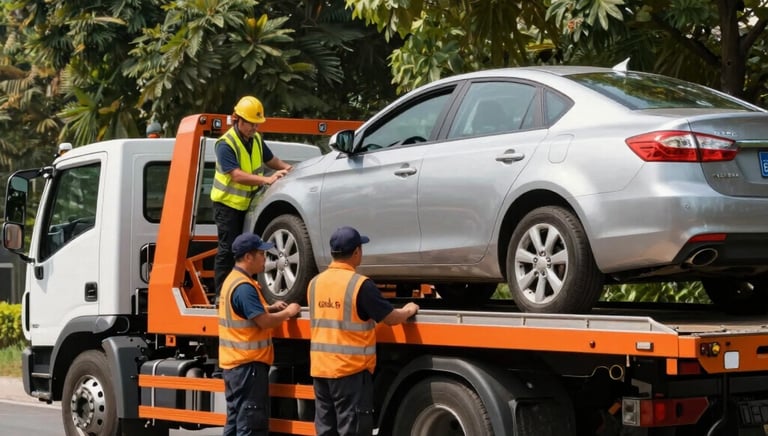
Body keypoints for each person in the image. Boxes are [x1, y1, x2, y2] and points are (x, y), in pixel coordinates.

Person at [308, 226, 419, 436]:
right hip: (350, 373)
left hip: (321, 370)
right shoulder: (360, 285)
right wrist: (407, 310)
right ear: (357, 252)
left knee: (326, 430)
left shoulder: (314, 283)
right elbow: (390, 318)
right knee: (353, 430)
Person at [211, 95, 294, 299]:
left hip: (247, 205)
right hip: (227, 205)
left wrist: (287, 168)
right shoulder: (225, 143)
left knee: (247, 249)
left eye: (257, 124)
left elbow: (270, 159)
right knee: (228, 249)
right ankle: (221, 295)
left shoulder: (255, 139)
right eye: (251, 123)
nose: (254, 128)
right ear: (237, 119)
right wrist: (266, 180)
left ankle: (241, 290)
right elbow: (236, 174)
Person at [218, 232, 301, 436]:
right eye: (262, 254)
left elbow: (248, 314)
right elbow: (263, 323)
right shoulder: (244, 288)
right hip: (248, 367)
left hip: (236, 366)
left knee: (236, 422)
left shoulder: (234, 280)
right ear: (248, 257)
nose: (266, 258)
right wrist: (288, 312)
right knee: (250, 424)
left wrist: (270, 308)